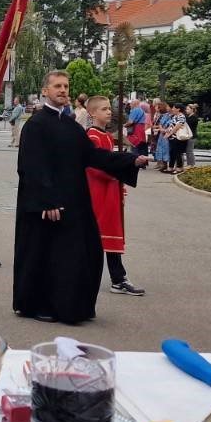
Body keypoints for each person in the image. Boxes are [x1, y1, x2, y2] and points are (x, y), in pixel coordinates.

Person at [13, 72, 150, 323]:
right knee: (45, 255)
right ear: (45, 91)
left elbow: (94, 156)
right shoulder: (36, 125)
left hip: (74, 200)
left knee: (83, 252)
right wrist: (47, 201)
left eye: (66, 86)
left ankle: (74, 306)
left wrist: (131, 160)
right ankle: (38, 304)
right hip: (47, 205)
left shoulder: (73, 127)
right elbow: (31, 166)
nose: (63, 90)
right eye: (57, 86)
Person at [84, 96, 144, 296]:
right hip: (99, 191)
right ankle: (97, 276)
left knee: (111, 233)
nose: (109, 112)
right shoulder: (92, 137)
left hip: (109, 189)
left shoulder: (107, 136)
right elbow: (95, 166)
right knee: (99, 234)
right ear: (93, 113)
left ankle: (118, 278)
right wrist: (120, 169)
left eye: (109, 108)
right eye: (104, 109)